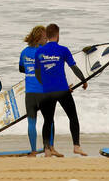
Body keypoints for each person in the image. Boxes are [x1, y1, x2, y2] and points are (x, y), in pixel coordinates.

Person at [34, 23, 87, 156]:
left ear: (46, 35)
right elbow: (73, 67)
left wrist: (45, 83)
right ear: (57, 35)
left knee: (48, 121)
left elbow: (37, 73)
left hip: (47, 92)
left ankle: (46, 149)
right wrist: (83, 80)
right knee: (73, 117)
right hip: (62, 90)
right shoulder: (63, 50)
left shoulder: (39, 51)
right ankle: (76, 146)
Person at [19, 25, 53, 155]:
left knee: (31, 122)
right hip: (44, 92)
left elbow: (21, 69)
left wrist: (31, 70)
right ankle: (49, 148)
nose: (46, 40)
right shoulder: (44, 52)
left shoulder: (24, 52)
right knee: (49, 121)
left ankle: (33, 150)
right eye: (45, 37)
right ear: (39, 38)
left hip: (30, 93)